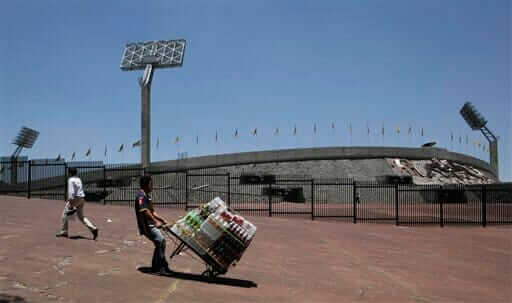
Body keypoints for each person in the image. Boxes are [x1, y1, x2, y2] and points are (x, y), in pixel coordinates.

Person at [135, 175, 172, 275]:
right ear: (146, 184)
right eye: (151, 184)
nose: (152, 186)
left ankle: (162, 265)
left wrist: (162, 220)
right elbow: (144, 211)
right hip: (146, 226)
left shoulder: (147, 196)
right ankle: (157, 268)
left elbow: (152, 211)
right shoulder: (141, 196)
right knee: (160, 241)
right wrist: (156, 222)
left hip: (152, 225)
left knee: (161, 242)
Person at [56, 167, 99, 240]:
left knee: (64, 214)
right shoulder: (78, 179)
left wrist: (70, 200)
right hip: (82, 198)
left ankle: (64, 232)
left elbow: (71, 191)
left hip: (75, 199)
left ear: (69, 173)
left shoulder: (70, 180)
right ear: (76, 172)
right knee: (81, 217)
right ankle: (93, 228)